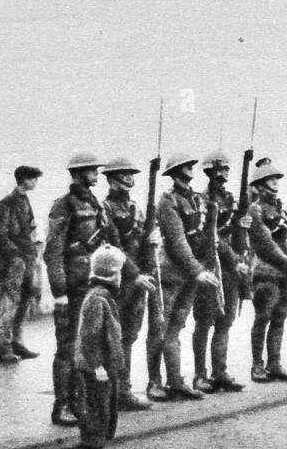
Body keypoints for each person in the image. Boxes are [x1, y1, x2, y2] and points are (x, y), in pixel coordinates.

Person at [45, 152, 152, 426]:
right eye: (92, 170)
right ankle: (63, 406)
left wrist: (135, 275)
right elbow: (53, 252)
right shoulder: (64, 205)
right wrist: (59, 292)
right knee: (68, 347)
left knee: (95, 345)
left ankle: (93, 399)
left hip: (94, 286)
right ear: (80, 173)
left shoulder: (98, 207)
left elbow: (114, 248)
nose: (96, 174)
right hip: (73, 286)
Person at [154, 153, 220, 401]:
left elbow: (204, 236)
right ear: (176, 171)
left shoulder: (197, 199)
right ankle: (162, 381)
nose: (192, 168)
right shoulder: (168, 200)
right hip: (173, 272)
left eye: (191, 165)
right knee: (165, 329)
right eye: (187, 166)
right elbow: (177, 241)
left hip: (193, 271)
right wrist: (198, 270)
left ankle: (176, 380)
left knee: (177, 326)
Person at [100, 157, 154, 411]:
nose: (129, 179)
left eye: (131, 175)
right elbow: (114, 246)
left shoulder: (135, 207)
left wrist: (149, 260)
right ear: (112, 179)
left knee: (130, 335)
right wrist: (136, 274)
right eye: (124, 175)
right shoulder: (106, 209)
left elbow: (141, 242)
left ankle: (124, 389)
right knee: (113, 336)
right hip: (118, 280)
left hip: (137, 278)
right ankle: (112, 391)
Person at [73, 245, 127, 449]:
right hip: (97, 370)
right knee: (95, 414)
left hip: (105, 368)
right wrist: (96, 365)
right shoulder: (97, 299)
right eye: (120, 272)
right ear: (112, 274)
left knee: (105, 412)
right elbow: (89, 337)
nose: (122, 276)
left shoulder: (104, 297)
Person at [247, 161, 287, 382]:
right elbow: (265, 243)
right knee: (263, 317)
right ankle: (257, 365)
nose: (275, 182)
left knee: (280, 317)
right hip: (268, 269)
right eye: (271, 179)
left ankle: (274, 363)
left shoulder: (283, 207)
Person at [192, 150, 244, 393]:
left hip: (232, 266)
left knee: (226, 321)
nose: (223, 174)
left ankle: (220, 371)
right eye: (219, 170)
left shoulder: (233, 199)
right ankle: (201, 375)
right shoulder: (202, 199)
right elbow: (210, 234)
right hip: (213, 263)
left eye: (226, 170)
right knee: (205, 321)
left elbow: (240, 231)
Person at [0, 164, 43, 365]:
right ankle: (4, 348)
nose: (35, 182)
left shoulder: (24, 200)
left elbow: (29, 228)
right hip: (14, 261)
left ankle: (17, 343)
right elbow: (0, 234)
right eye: (33, 178)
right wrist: (15, 256)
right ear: (23, 180)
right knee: (10, 302)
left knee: (24, 300)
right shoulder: (6, 203)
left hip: (27, 257)